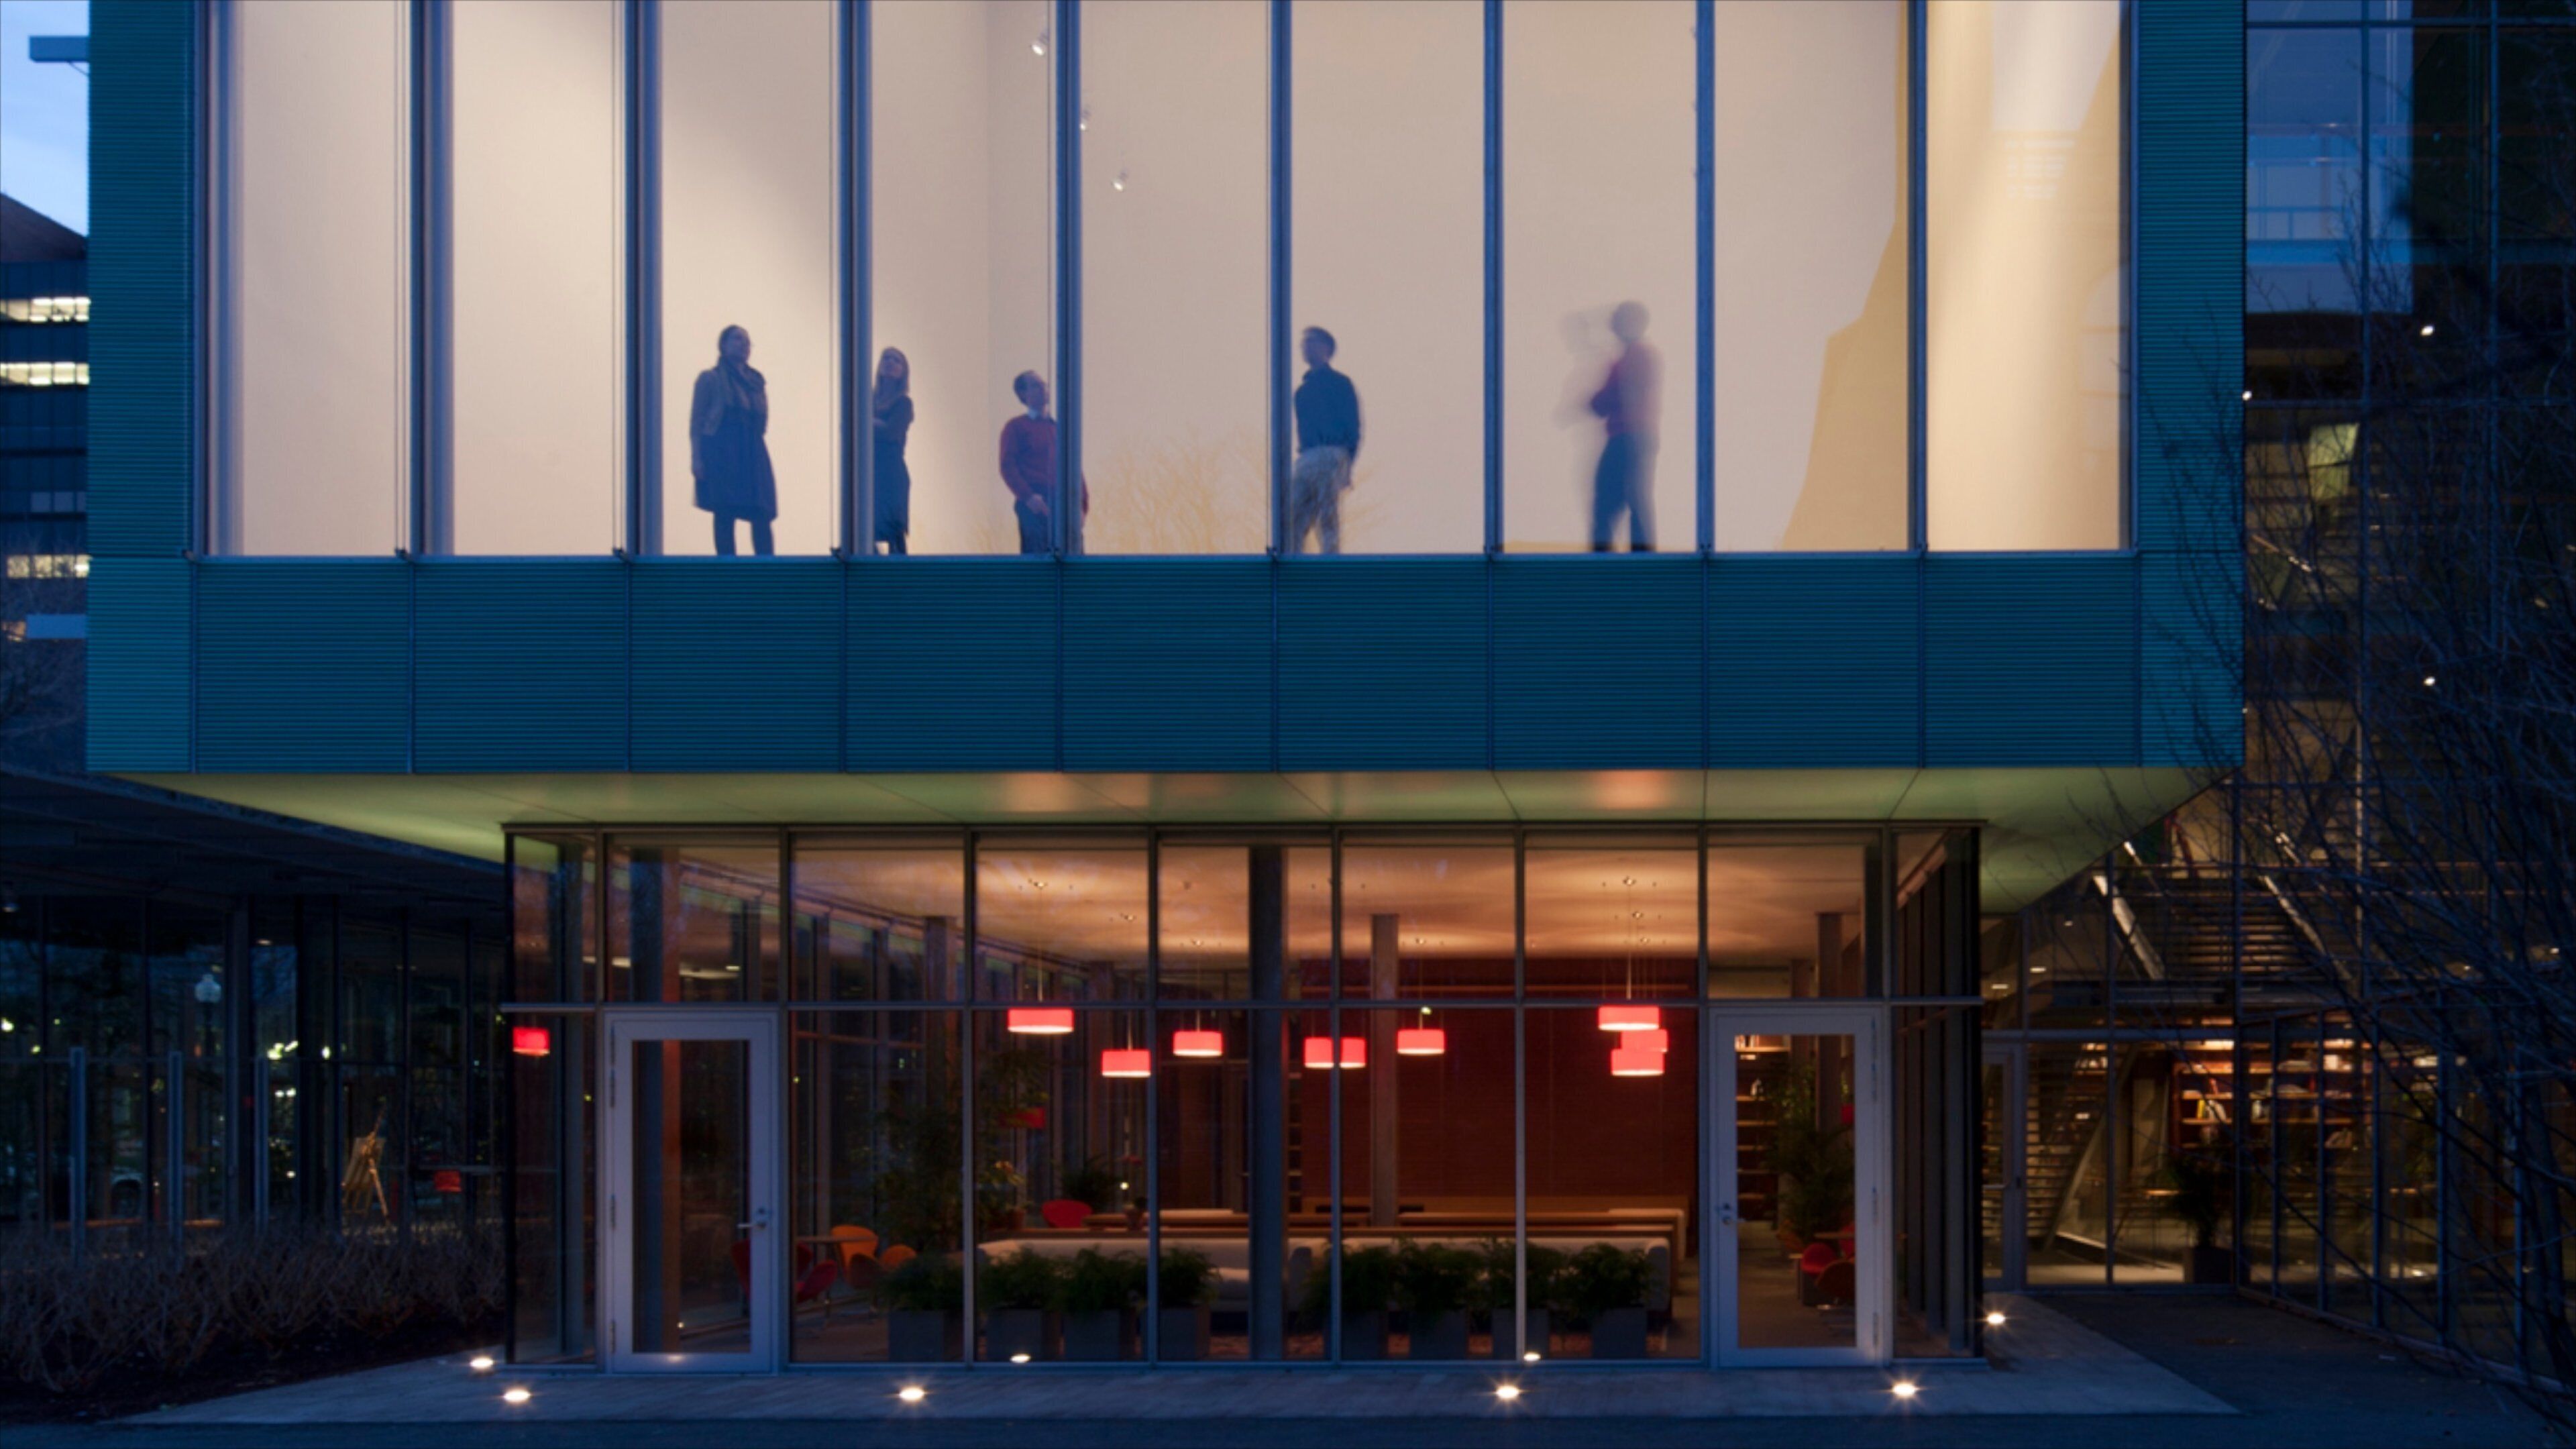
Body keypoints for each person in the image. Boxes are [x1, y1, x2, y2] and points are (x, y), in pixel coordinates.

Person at [690, 325, 778, 556]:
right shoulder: (710, 379)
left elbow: (762, 423)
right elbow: (697, 421)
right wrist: (697, 458)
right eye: (738, 339)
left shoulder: (757, 383)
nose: (744, 345)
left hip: (752, 449)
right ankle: (727, 565)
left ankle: (767, 567)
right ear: (723, 345)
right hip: (722, 449)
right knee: (724, 509)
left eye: (747, 341)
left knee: (761, 510)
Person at [1587, 301, 1660, 553]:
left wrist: (1597, 400)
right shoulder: (1637, 357)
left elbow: (1608, 398)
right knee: (1633, 495)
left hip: (1628, 435)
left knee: (1615, 499)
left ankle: (1612, 558)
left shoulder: (1634, 358)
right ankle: (1639, 555)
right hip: (1636, 435)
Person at [1289, 327, 1362, 555]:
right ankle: (1294, 561)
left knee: (1327, 514)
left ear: (1326, 349)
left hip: (1330, 452)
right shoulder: (1302, 392)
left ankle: (1330, 562)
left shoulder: (1339, 384)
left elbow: (1352, 425)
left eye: (1312, 342)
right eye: (1304, 343)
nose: (1306, 348)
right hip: (1307, 456)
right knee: (1293, 518)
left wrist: (1347, 463)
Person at [998, 370, 1085, 554]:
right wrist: (1028, 497)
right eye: (1036, 385)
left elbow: (1075, 470)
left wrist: (1081, 506)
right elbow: (1008, 466)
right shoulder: (1016, 427)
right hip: (1035, 501)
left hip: (1062, 502)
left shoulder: (1059, 429)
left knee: (1072, 553)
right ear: (1023, 394)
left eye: (1043, 384)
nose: (1043, 388)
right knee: (1037, 555)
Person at [872, 347, 914, 555]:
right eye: (887, 358)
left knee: (894, 534)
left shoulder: (904, 403)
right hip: (870, 473)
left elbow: (892, 432)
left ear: (903, 371)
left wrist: (868, 422)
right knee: (864, 530)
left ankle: (899, 575)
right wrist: (877, 423)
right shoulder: (867, 400)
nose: (890, 363)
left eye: (897, 361)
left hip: (891, 475)